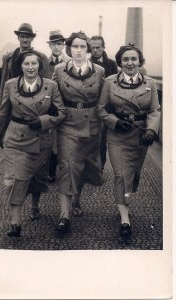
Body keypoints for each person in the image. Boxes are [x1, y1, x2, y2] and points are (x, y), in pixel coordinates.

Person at [0, 50, 66, 237]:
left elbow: (62, 113)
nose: (30, 67)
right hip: (15, 138)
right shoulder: (11, 85)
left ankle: (35, 205)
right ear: (20, 66)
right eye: (26, 64)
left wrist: (44, 121)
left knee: (37, 178)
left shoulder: (50, 86)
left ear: (40, 67)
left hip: (41, 139)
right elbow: (2, 115)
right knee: (13, 180)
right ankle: (15, 223)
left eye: (34, 64)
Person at [97, 42, 161, 238]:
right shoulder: (110, 82)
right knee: (121, 175)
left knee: (134, 175)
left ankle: (124, 200)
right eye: (125, 59)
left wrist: (152, 129)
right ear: (119, 62)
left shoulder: (149, 83)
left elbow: (154, 110)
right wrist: (115, 122)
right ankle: (125, 217)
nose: (130, 63)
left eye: (134, 59)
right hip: (117, 135)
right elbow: (101, 110)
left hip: (141, 136)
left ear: (140, 61)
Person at [52, 31, 105, 235]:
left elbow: (105, 99)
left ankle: (77, 200)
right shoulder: (59, 70)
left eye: (83, 47)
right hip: (67, 125)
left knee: (82, 167)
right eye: (75, 46)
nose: (79, 50)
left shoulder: (99, 71)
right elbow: (52, 96)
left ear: (89, 50)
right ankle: (64, 216)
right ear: (69, 49)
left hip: (92, 126)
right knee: (67, 166)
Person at [0, 23, 50, 114]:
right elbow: (3, 83)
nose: (25, 40)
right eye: (22, 36)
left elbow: (46, 85)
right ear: (18, 37)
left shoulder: (41, 57)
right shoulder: (8, 57)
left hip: (31, 103)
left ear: (32, 38)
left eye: (28, 37)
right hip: (11, 101)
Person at [90, 35, 118, 171]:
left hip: (106, 108)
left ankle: (99, 168)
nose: (95, 50)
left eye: (98, 47)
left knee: (102, 141)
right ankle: (89, 167)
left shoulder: (111, 64)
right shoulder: (86, 63)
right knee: (90, 139)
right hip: (90, 107)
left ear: (103, 47)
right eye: (93, 47)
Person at [46, 30, 69, 183]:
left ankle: (67, 173)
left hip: (65, 106)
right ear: (50, 45)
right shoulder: (42, 62)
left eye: (59, 44)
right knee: (50, 142)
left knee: (65, 141)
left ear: (63, 45)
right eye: (53, 44)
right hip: (48, 107)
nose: (56, 47)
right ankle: (50, 172)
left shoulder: (70, 62)